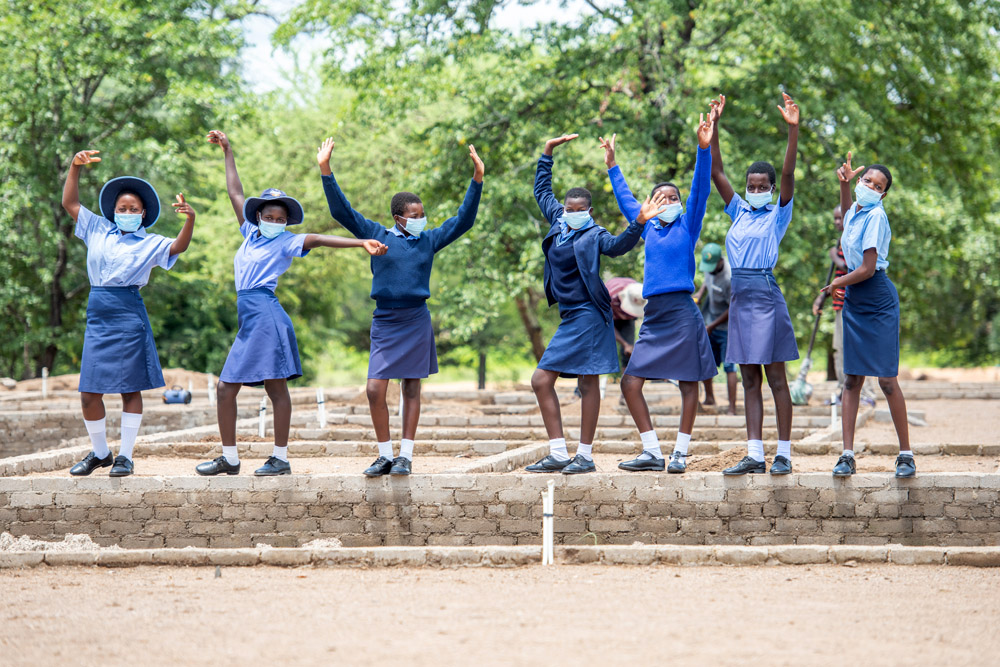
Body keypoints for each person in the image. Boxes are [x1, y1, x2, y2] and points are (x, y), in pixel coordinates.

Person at [195, 132, 387, 477]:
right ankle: (231, 458)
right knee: (231, 389)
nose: (274, 222)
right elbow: (235, 192)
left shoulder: (286, 242)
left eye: (280, 219)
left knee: (264, 387)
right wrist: (228, 150)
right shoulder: (249, 233)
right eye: (268, 217)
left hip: (266, 313)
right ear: (258, 218)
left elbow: (318, 238)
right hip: (250, 315)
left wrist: (360, 243)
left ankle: (278, 458)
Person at [320, 138, 483, 477]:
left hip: (415, 319)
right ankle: (384, 454)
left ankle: (405, 456)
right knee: (374, 389)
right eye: (415, 216)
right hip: (385, 321)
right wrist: (326, 171)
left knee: (411, 387)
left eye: (423, 215)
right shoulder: (376, 234)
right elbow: (342, 212)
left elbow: (463, 220)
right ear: (399, 218)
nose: (421, 219)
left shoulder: (429, 239)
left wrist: (477, 179)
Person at [523, 133, 653, 475]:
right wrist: (547, 152)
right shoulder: (558, 221)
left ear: (589, 212)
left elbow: (619, 245)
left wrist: (639, 222)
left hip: (589, 314)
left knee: (547, 379)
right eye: (570, 210)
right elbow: (541, 191)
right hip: (569, 314)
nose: (574, 214)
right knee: (585, 382)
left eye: (581, 211)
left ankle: (576, 454)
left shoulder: (594, 234)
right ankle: (569, 454)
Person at [63, 149, 196, 477]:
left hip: (128, 313)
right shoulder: (96, 228)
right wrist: (74, 167)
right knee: (89, 392)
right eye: (122, 208)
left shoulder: (150, 242)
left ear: (143, 213)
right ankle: (100, 453)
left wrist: (190, 220)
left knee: (129, 387)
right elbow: (70, 204)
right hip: (98, 312)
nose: (126, 212)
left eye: (133, 209)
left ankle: (125, 456)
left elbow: (178, 247)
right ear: (113, 211)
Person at [601, 114, 718, 474]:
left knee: (688, 382)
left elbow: (700, 186)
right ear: (651, 204)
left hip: (683, 311)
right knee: (631, 382)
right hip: (654, 314)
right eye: (660, 198)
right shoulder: (648, 227)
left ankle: (680, 452)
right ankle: (652, 451)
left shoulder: (689, 222)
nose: (666, 201)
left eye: (672, 197)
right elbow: (625, 198)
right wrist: (612, 166)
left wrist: (704, 148)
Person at [709, 92, 799, 476]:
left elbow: (791, 173)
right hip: (740, 297)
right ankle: (754, 454)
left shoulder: (778, 214)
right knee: (747, 377)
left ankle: (783, 453)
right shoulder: (739, 211)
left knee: (776, 377)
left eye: (763, 186)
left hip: (765, 293)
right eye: (752, 185)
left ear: (772, 188)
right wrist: (713, 127)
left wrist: (792, 132)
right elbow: (716, 172)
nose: (756, 190)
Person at [824, 154, 914, 478]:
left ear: (883, 194)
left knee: (887, 380)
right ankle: (847, 455)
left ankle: (906, 455)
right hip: (855, 300)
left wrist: (837, 282)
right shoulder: (856, 212)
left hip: (876, 296)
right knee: (852, 380)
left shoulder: (876, 215)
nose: (871, 187)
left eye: (879, 186)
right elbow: (848, 211)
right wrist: (844, 183)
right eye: (868, 182)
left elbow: (865, 268)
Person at [812, 205, 877, 407]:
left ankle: (867, 394)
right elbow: (837, 278)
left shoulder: (854, 238)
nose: (837, 222)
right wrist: (820, 298)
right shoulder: (842, 240)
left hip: (855, 303)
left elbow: (857, 268)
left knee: (858, 348)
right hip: (839, 303)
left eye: (840, 218)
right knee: (839, 349)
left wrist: (835, 258)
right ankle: (844, 392)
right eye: (835, 219)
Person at [694, 243, 737, 415]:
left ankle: (732, 407)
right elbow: (707, 280)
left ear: (721, 261)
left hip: (727, 327)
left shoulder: (729, 278)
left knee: (729, 367)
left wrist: (712, 326)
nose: (709, 270)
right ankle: (710, 396)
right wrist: (700, 293)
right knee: (705, 360)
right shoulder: (708, 267)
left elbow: (733, 307)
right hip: (710, 321)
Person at [605, 278, 645, 370]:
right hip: (610, 315)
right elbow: (608, 326)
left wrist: (629, 345)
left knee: (628, 352)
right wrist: (624, 344)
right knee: (601, 350)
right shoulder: (609, 298)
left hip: (627, 318)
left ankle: (628, 374)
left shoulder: (639, 292)